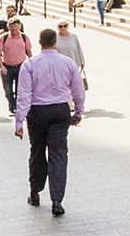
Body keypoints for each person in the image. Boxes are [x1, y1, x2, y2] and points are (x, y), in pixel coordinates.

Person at [15, 27, 85, 216]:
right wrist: (78, 111)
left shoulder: (30, 64)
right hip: (60, 110)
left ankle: (35, 192)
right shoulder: (68, 63)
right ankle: (57, 200)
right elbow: (78, 90)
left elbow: (24, 94)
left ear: (39, 42)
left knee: (37, 150)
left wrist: (19, 121)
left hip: (37, 111)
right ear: (55, 42)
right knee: (58, 153)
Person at [0, 18, 33, 115]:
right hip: (7, 67)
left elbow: (29, 52)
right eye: (11, 26)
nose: (13, 28)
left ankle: (17, 108)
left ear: (20, 27)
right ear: (8, 27)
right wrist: (1, 66)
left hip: (21, 67)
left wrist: (31, 65)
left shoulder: (25, 37)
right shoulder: (3, 38)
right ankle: (12, 105)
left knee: (19, 90)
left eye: (15, 26)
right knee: (7, 90)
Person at [54, 21, 87, 93]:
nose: (63, 28)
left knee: (74, 84)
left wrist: (82, 61)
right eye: (60, 26)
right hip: (60, 66)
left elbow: (78, 49)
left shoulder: (73, 36)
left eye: (65, 26)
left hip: (73, 64)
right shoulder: (55, 38)